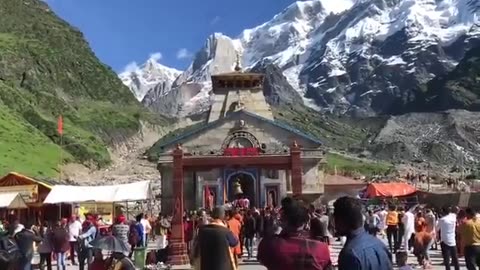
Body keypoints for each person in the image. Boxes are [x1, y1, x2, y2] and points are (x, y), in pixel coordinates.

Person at [258, 198, 332, 270]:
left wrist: (276, 229)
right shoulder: (321, 248)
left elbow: (261, 259)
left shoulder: (269, 245)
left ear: (282, 220)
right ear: (306, 223)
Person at [333, 196, 392, 270]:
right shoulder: (379, 244)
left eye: (335, 218)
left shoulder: (350, 254)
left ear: (341, 220)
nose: (334, 224)